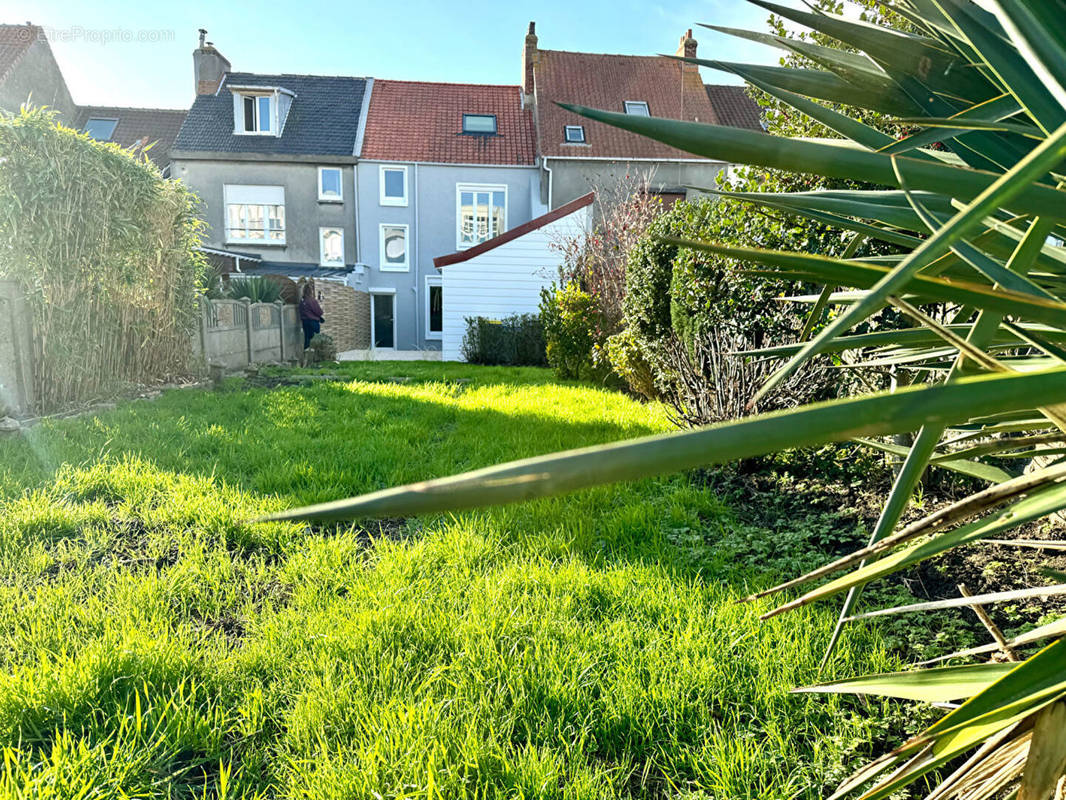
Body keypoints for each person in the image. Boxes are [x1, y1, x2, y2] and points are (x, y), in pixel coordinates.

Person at [298, 282, 325, 349]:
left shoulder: (302, 302)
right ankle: (315, 355)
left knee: (307, 339)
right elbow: (319, 312)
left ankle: (306, 354)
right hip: (313, 322)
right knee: (315, 339)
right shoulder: (312, 301)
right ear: (310, 291)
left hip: (305, 322)